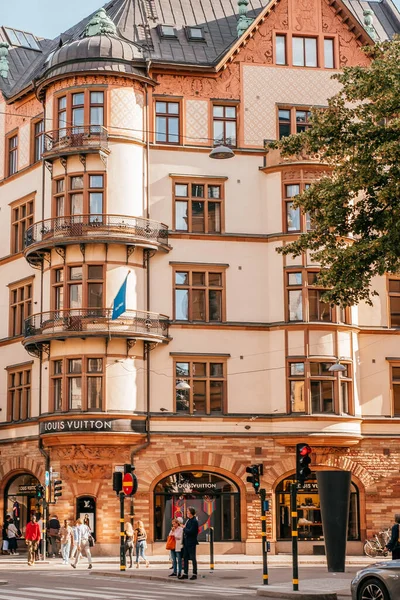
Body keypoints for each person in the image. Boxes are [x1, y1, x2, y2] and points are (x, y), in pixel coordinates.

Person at [180, 506, 199, 580]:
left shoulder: (194, 521)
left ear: (191, 513)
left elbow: (191, 531)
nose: (187, 513)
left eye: (188, 512)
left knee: (193, 558)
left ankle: (194, 573)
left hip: (191, 542)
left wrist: (184, 528)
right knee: (185, 558)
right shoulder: (188, 520)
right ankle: (185, 573)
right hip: (186, 541)